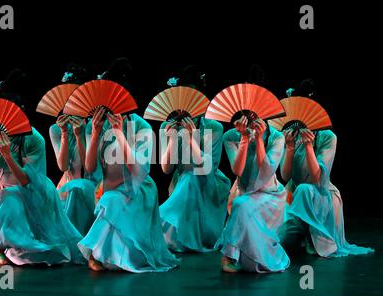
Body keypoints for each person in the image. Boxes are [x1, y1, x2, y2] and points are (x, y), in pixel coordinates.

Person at [78, 58, 180, 272]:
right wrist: (95, 134)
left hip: (139, 189)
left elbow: (139, 170)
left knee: (111, 201)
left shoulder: (141, 126)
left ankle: (103, 252)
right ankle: (101, 252)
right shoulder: (96, 125)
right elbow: (89, 168)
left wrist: (119, 134)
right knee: (110, 199)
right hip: (112, 188)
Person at [0, 69, 84, 266]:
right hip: (7, 193)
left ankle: (18, 240)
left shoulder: (33, 138)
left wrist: (8, 155)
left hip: (36, 191)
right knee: (6, 196)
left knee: (44, 254)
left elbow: (27, 181)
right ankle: (1, 246)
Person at [278, 87, 374, 257]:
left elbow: (317, 179)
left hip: (321, 195)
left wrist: (308, 147)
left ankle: (311, 237)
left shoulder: (328, 136)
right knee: (281, 240)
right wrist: (290, 147)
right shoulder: (292, 135)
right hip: (295, 194)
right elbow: (285, 176)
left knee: (305, 189)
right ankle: (301, 233)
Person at [159, 66, 231, 252]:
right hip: (182, 183)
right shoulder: (167, 126)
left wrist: (191, 139)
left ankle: (167, 225)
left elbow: (207, 167)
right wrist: (173, 138)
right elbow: (166, 169)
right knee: (188, 178)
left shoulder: (214, 127)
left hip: (210, 183)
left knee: (192, 176)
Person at [216, 115, 290, 273]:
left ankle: (229, 255)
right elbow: (237, 170)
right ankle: (228, 256)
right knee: (241, 203)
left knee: (241, 204)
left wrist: (260, 141)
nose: (251, 118)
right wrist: (244, 139)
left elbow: (266, 172)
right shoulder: (230, 136)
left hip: (270, 194)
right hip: (247, 192)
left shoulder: (276, 137)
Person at [49, 63, 96, 236]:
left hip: (93, 182)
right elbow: (62, 166)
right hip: (67, 183)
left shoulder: (93, 125)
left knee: (78, 188)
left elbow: (89, 166)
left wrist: (79, 135)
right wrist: (63, 133)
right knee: (72, 189)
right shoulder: (55, 128)